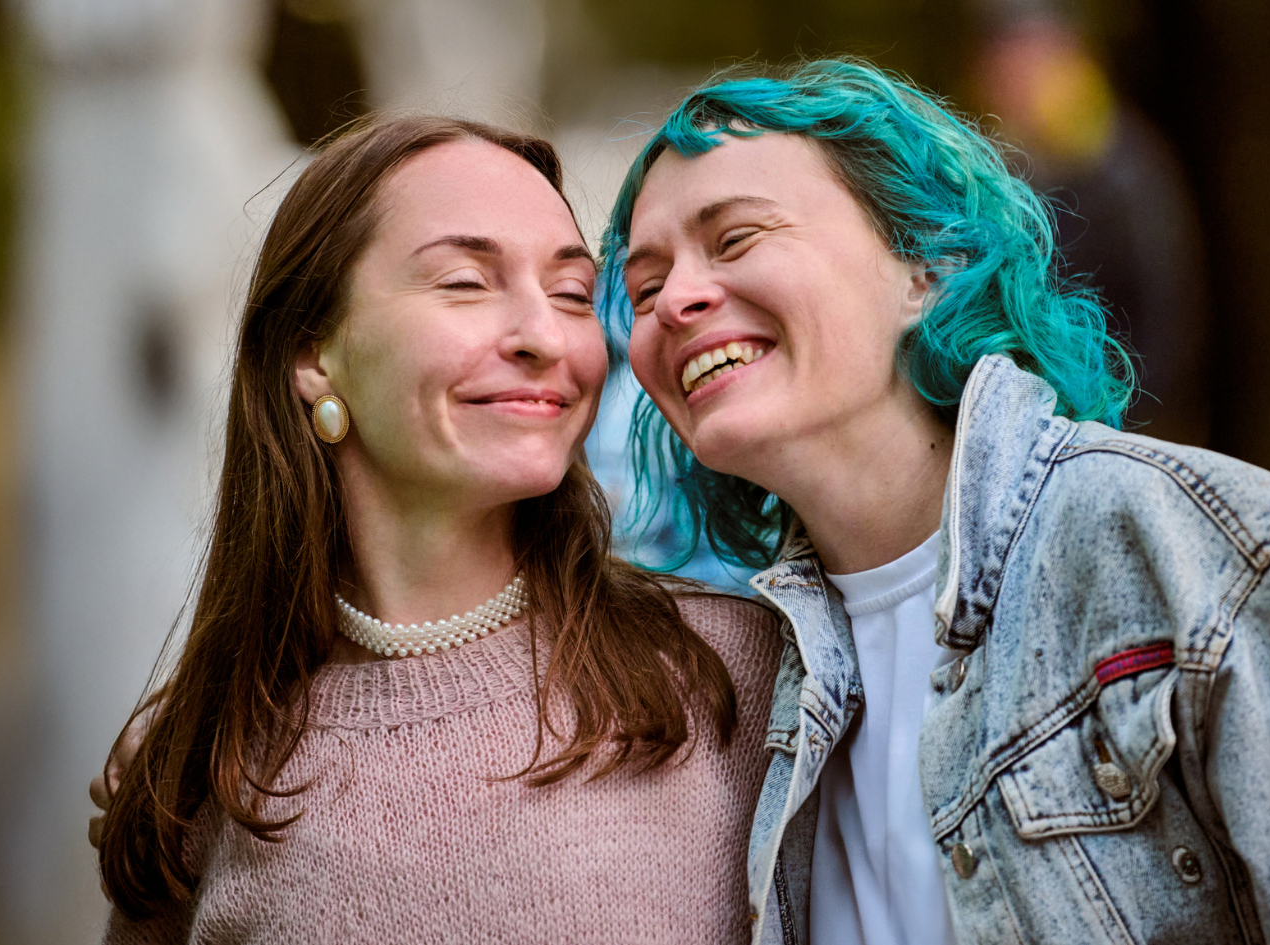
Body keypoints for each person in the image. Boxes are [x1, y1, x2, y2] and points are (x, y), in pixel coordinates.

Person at [599, 59, 1270, 945]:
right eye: (646, 288)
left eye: (735, 239)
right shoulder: (744, 673)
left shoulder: (1210, 558)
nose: (676, 303)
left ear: (925, 266)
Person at [93, 113, 782, 943]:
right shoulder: (205, 766)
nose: (543, 337)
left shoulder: (735, 677)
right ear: (314, 353)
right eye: (465, 281)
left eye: (571, 293)